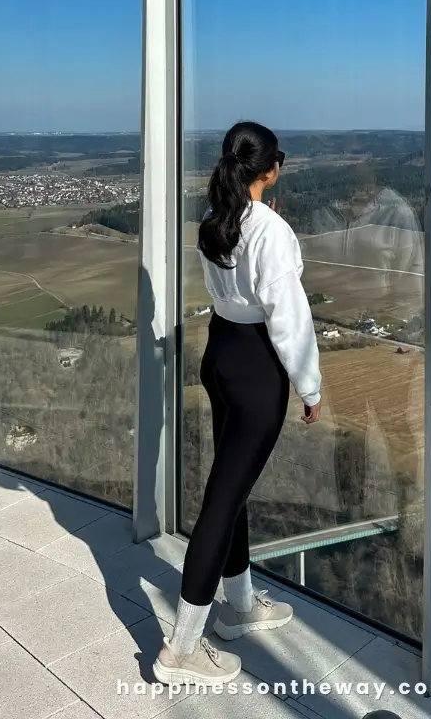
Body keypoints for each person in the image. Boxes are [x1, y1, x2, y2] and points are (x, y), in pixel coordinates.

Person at [153, 121, 323, 687]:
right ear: (270, 171)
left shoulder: (214, 223)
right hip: (254, 369)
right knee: (221, 504)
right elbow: (289, 317)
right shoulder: (270, 230)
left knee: (232, 488)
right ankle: (180, 649)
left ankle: (241, 605)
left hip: (220, 353)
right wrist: (310, 387)